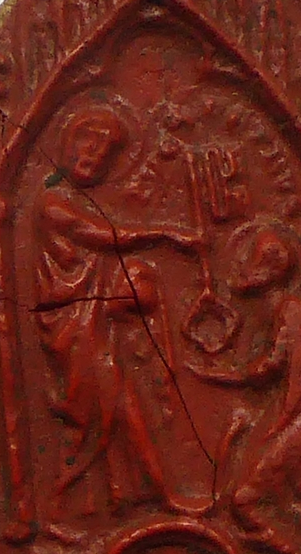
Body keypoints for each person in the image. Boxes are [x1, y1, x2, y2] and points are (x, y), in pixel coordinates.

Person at [34, 105, 203, 517]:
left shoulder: (77, 201)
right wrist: (168, 235)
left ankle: (146, 494)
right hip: (71, 327)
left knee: (122, 407)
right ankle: (56, 508)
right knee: (91, 419)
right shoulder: (51, 203)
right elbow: (105, 237)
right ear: (66, 144)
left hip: (93, 326)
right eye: (87, 144)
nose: (94, 156)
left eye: (105, 152)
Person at [187, 222, 301, 554]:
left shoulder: (292, 311)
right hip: (299, 415)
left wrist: (220, 375)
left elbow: (268, 368)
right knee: (259, 493)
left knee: (245, 501)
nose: (242, 271)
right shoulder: (285, 311)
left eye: (252, 264)